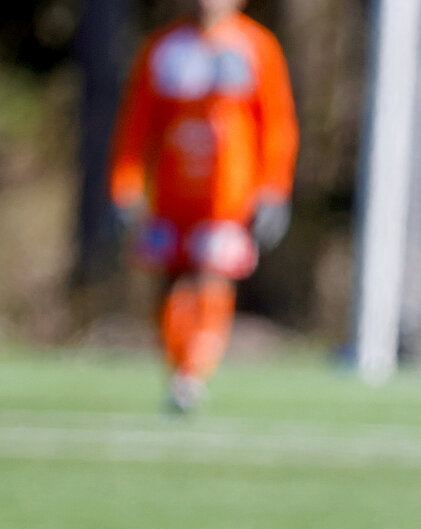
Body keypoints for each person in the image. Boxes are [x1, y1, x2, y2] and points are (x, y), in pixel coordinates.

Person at [110, 0, 297, 414]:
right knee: (170, 280)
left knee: (212, 275)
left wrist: (273, 187)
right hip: (171, 193)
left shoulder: (256, 46)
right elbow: (137, 120)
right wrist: (125, 182)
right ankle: (178, 368)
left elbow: (277, 124)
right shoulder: (163, 47)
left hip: (228, 196)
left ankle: (194, 372)